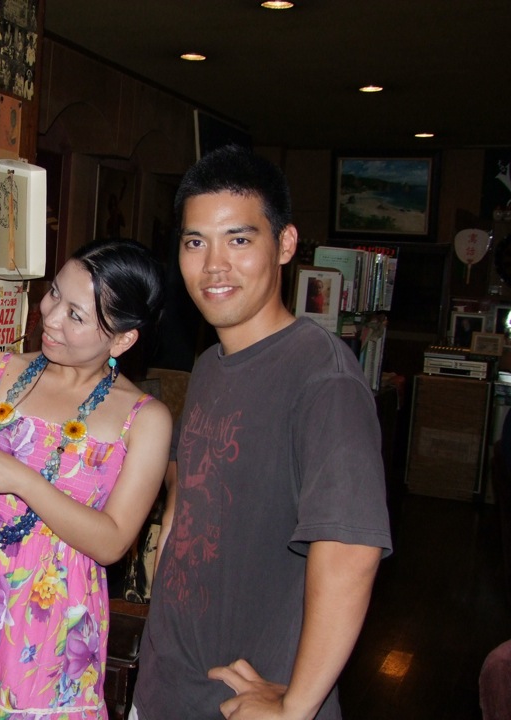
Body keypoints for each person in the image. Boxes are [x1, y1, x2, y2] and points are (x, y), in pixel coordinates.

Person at [131, 145, 392, 720]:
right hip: (167, 687)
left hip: (240, 703)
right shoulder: (210, 364)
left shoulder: (323, 377)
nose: (213, 265)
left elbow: (350, 550)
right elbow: (193, 487)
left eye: (239, 240)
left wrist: (296, 706)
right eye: (195, 242)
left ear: (286, 244)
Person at [0, 238, 172, 719]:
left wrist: (22, 480)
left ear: (122, 340)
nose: (50, 317)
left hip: (51, 622)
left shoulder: (144, 419)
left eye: (76, 315)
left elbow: (112, 542)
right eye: (54, 294)